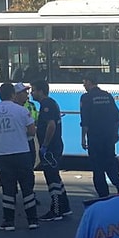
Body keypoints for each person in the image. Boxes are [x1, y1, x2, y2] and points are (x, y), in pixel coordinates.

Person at [0, 82, 39, 231]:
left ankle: (8, 221)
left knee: (8, 189)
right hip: (22, 153)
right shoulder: (21, 111)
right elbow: (32, 131)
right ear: (13, 94)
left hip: (2, 155)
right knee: (27, 188)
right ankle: (32, 220)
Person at [32, 79, 72, 221]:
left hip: (50, 148)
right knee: (56, 176)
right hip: (55, 146)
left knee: (52, 178)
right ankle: (65, 206)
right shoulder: (51, 102)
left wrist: (45, 145)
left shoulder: (46, 105)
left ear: (41, 91)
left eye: (33, 89)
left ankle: (56, 210)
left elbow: (51, 126)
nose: (31, 93)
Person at [80, 71, 119, 198]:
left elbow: (85, 121)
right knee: (111, 166)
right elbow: (117, 116)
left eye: (84, 82)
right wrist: (115, 133)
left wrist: (83, 139)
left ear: (89, 82)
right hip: (109, 138)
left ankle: (104, 196)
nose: (84, 86)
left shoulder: (86, 98)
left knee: (98, 169)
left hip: (95, 139)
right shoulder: (107, 96)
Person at [13, 82, 40, 167]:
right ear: (16, 95)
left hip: (29, 141)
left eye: (27, 92)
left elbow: (36, 119)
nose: (27, 94)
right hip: (19, 144)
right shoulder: (13, 109)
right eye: (24, 92)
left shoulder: (31, 105)